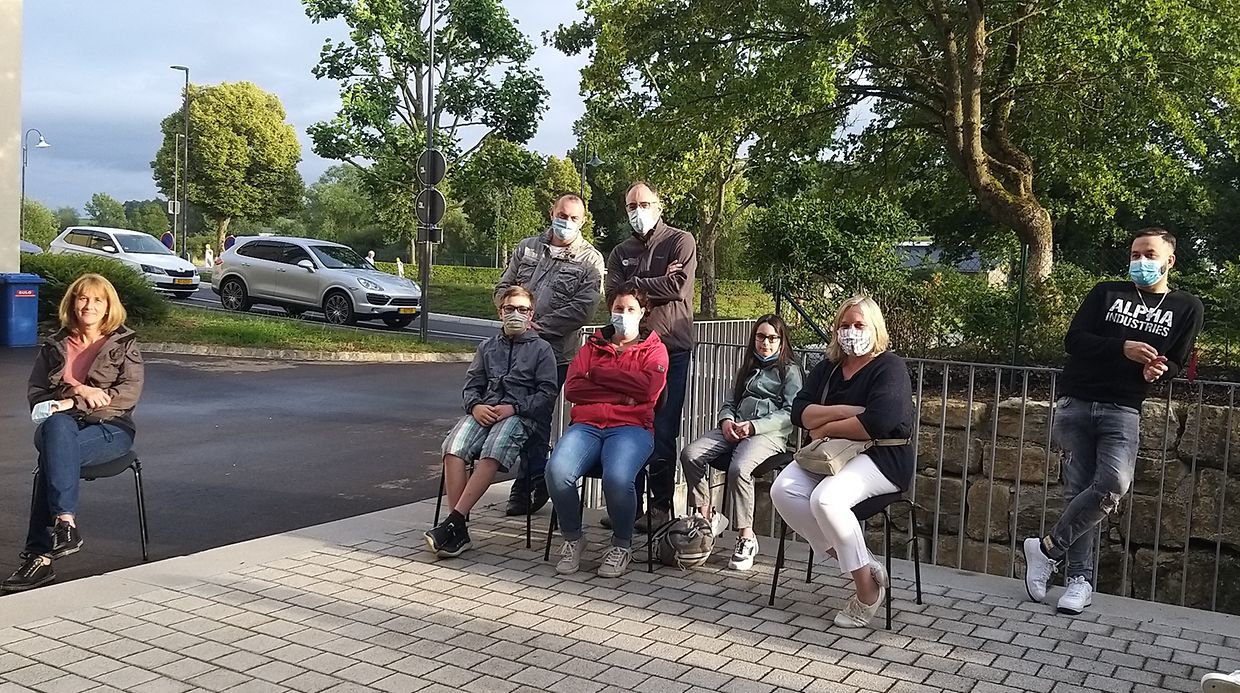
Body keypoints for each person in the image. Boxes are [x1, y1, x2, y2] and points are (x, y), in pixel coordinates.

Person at [1022, 228, 1204, 615]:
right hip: (1076, 400)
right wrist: (1122, 347)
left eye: (1149, 254)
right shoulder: (1107, 293)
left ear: (1169, 260)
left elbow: (1176, 360)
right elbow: (1074, 340)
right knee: (1077, 491)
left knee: (1113, 484)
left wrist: (1159, 370)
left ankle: (1047, 549)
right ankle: (1078, 581)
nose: (1140, 261)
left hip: (1123, 407)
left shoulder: (1187, 306)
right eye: (1135, 254)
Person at [770, 295, 914, 628]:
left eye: (859, 325)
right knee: (783, 490)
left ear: (875, 328)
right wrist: (845, 412)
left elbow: (878, 422)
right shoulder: (828, 368)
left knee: (826, 499)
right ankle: (863, 562)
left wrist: (823, 425)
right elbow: (799, 413)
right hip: (830, 454)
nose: (851, 331)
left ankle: (867, 592)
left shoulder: (890, 367)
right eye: (845, 325)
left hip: (882, 456)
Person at [2, 274, 144, 592]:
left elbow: (127, 395)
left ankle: (40, 558)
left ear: (108, 307)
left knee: (53, 458)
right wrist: (78, 390)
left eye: (97, 300)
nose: (89, 305)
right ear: (73, 303)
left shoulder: (124, 344)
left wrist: (71, 401)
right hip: (60, 425)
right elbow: (37, 394)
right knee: (56, 431)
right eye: (83, 298)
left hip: (110, 428)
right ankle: (65, 523)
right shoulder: (55, 345)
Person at [425, 286, 559, 558]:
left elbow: (547, 393)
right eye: (510, 309)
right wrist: (475, 406)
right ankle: (458, 527)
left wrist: (515, 408)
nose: (515, 314)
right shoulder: (487, 347)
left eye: (522, 309)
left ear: (531, 314)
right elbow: (471, 385)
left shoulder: (542, 349)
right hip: (484, 411)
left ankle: (453, 524)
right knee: (453, 447)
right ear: (500, 312)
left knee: (493, 449)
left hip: (519, 416)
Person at [545, 284, 669, 578]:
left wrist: (597, 374)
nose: (623, 314)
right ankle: (573, 538)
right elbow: (574, 389)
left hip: (632, 428)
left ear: (643, 313)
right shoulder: (591, 346)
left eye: (630, 309)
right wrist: (624, 393)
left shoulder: (655, 349)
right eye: (618, 308)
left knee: (618, 479)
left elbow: (648, 390)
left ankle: (622, 545)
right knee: (556, 472)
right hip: (587, 426)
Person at [494, 192, 605, 516]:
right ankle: (530, 478)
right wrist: (512, 313)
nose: (566, 222)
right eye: (562, 215)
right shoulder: (527, 248)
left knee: (538, 416)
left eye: (573, 218)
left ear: (583, 221)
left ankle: (530, 483)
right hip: (514, 350)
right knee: (518, 414)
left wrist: (538, 326)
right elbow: (503, 286)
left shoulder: (590, 260)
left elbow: (583, 308)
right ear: (551, 213)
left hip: (554, 354)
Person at [605, 181, 696, 531]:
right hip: (629, 350)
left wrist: (635, 283)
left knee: (663, 430)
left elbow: (678, 287)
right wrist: (654, 280)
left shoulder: (680, 241)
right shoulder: (620, 251)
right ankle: (630, 505)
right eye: (631, 206)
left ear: (659, 206)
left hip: (671, 350)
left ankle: (660, 508)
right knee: (629, 426)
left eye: (644, 204)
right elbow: (614, 294)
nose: (638, 211)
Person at [680, 315, 803, 570]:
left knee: (739, 468)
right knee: (691, 454)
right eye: (761, 337)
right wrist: (726, 421)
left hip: (768, 434)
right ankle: (706, 516)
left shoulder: (790, 370)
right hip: (735, 427)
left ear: (781, 341)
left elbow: (791, 412)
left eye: (772, 338)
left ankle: (746, 537)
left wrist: (754, 426)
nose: (765, 343)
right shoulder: (747, 367)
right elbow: (730, 402)